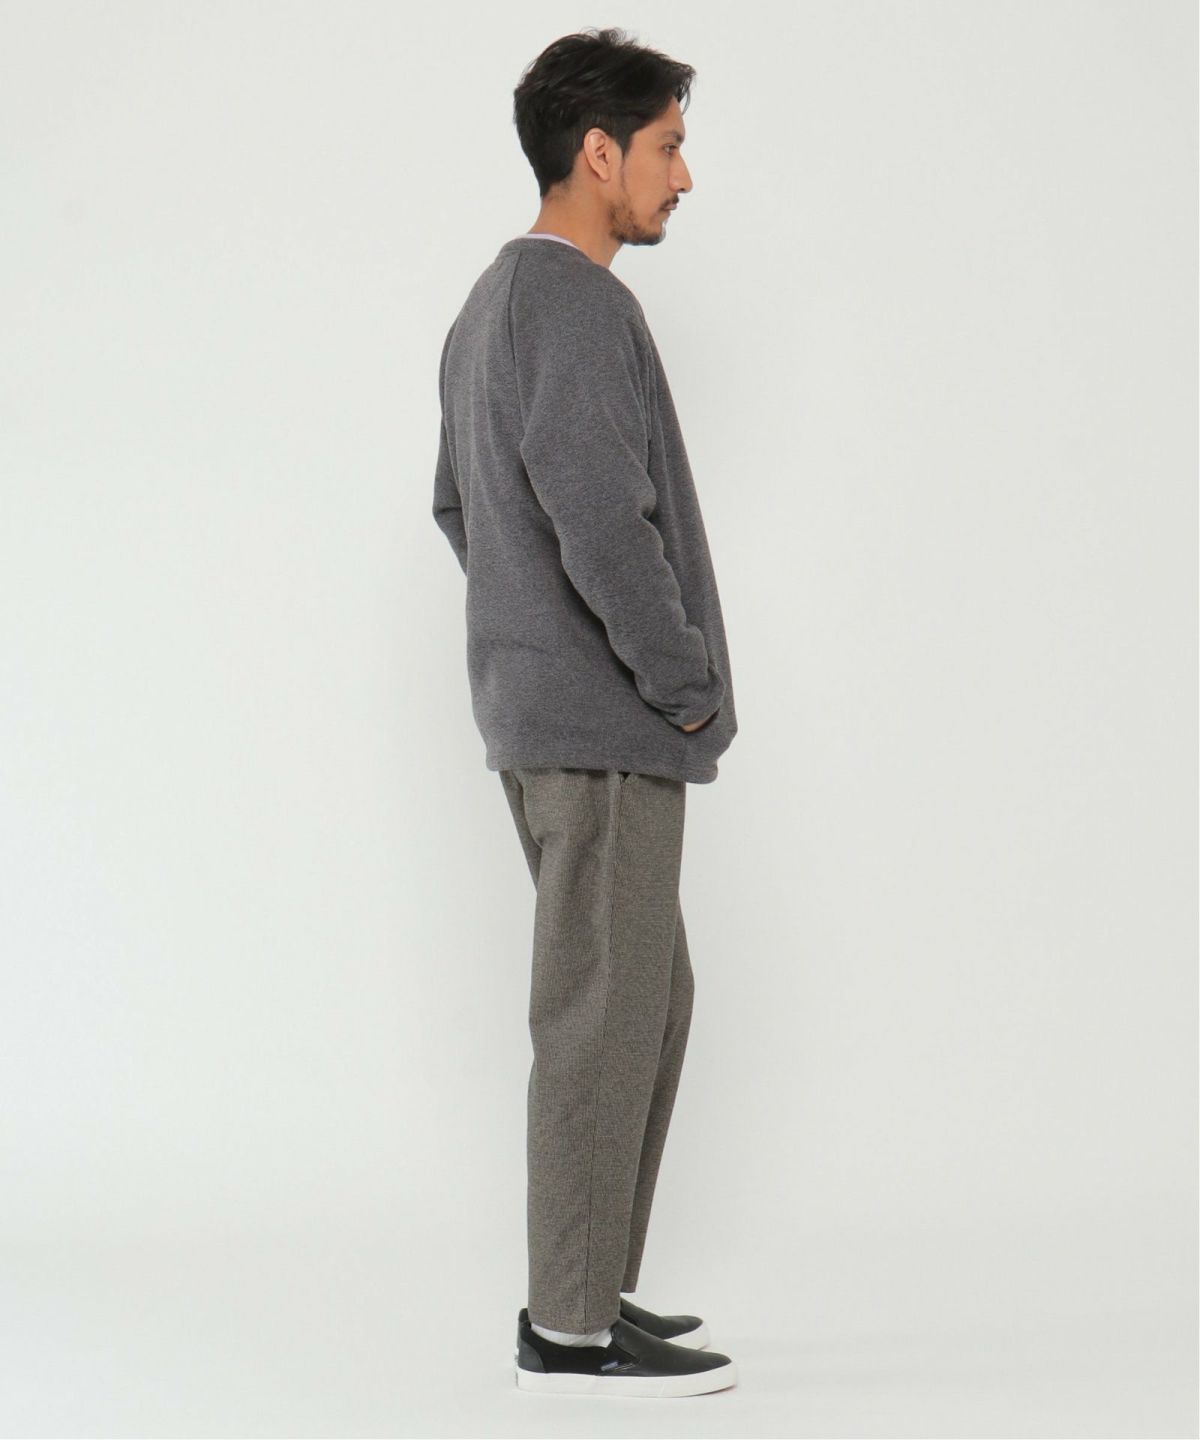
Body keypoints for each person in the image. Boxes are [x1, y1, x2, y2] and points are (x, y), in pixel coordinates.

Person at [431, 26, 739, 1398]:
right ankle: (567, 1330)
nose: (685, 175)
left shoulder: (490, 305)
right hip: (602, 731)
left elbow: (461, 505)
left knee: (645, 1001)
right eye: (668, 146)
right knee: (606, 1017)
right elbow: (601, 521)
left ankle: (591, 1282)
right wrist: (680, 683)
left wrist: (531, 640)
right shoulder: (569, 303)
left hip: (554, 722)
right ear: (598, 153)